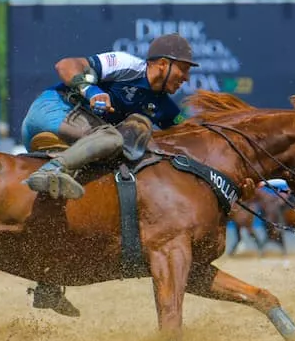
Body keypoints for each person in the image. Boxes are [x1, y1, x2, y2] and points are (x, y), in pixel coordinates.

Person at [20, 33, 199, 317]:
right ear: (163, 64)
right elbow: (65, 65)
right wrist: (91, 92)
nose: (186, 78)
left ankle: (48, 284)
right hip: (51, 110)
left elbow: (191, 136)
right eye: (184, 69)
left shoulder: (165, 106)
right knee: (114, 139)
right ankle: (52, 170)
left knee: (91, 197)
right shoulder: (128, 65)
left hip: (75, 138)